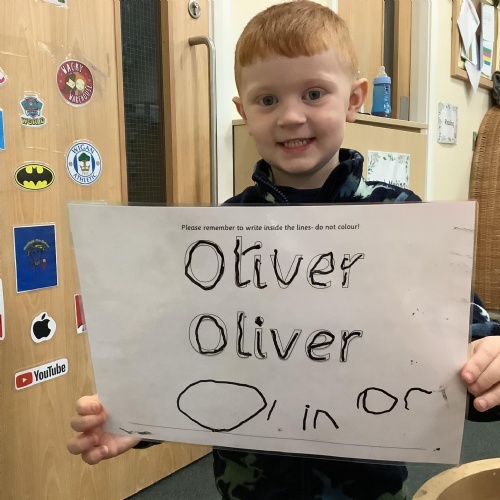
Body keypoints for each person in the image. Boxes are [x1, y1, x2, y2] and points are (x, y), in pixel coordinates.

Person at [67, 2, 500, 498]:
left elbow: (460, 338)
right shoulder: (221, 240)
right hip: (251, 488)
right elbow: (188, 353)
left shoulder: (402, 219)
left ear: (355, 99)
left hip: (368, 490)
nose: (291, 116)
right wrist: (137, 417)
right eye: (267, 99)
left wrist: (489, 358)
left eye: (313, 93)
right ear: (243, 112)